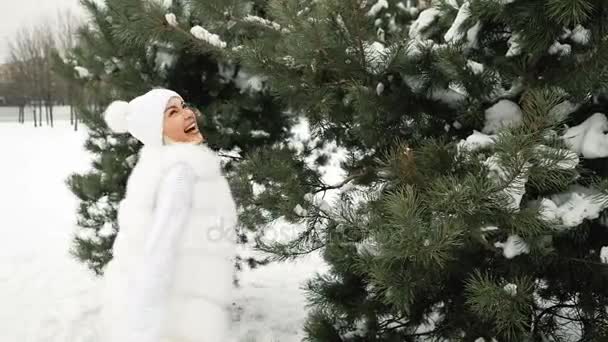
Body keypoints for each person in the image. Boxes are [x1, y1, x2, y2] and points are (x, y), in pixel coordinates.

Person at [98, 88, 238, 342]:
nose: (188, 114)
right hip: (178, 309)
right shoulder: (180, 172)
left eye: (184, 106)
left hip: (180, 299)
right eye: (173, 112)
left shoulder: (159, 164)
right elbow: (160, 246)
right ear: (156, 129)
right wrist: (143, 326)